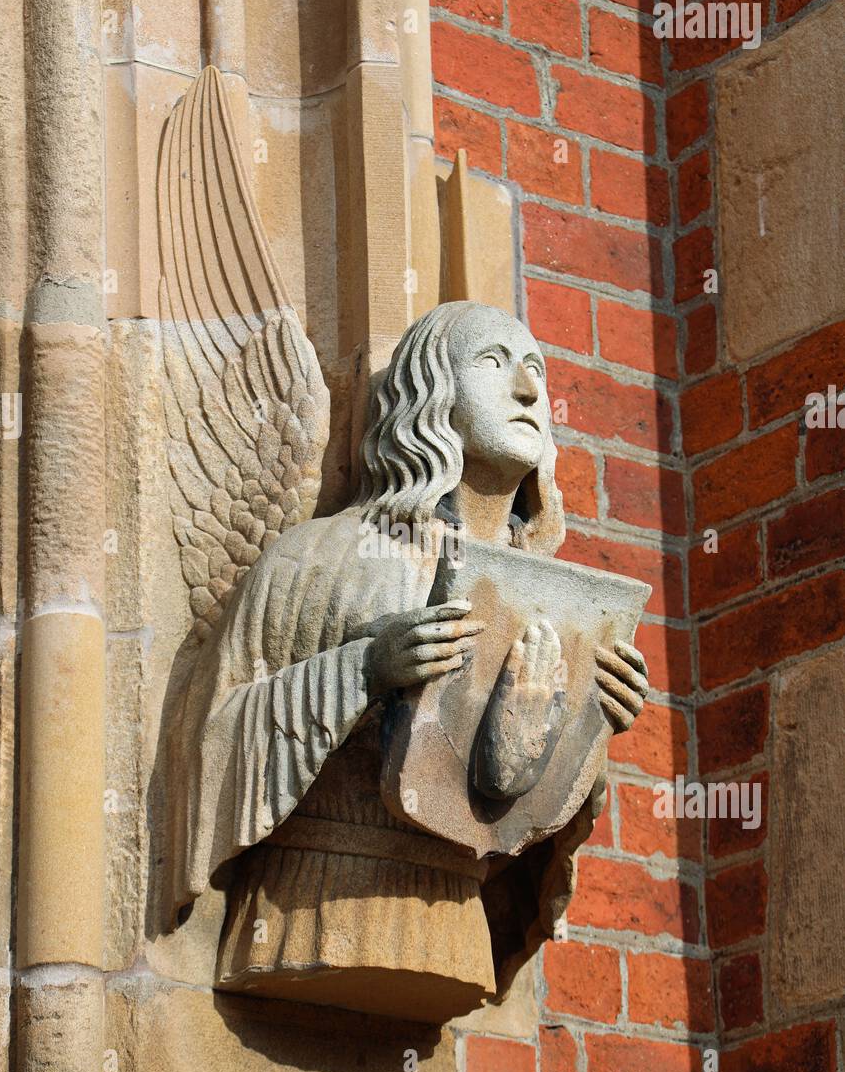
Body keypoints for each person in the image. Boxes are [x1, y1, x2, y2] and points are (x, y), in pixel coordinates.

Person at [164, 302, 648, 1021]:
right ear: (430, 392)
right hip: (314, 910)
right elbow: (212, 737)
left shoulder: (551, 597)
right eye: (493, 363)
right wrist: (362, 669)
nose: (527, 391)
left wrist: (587, 723)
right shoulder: (326, 557)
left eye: (536, 370)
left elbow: (511, 819)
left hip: (451, 929)